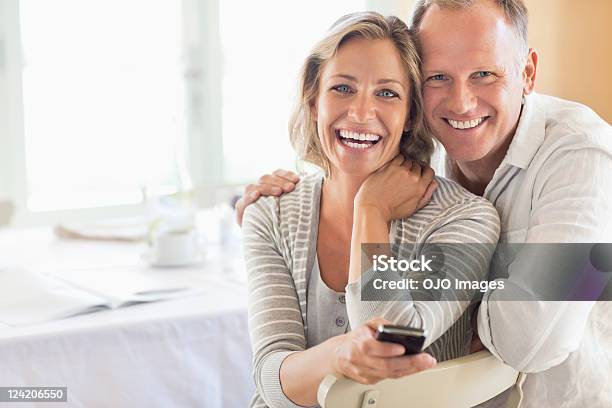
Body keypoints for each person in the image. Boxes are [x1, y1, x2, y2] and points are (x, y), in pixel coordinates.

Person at [237, 1, 612, 407]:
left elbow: (532, 342)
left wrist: (372, 213)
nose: (461, 102)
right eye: (437, 77)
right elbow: (268, 377)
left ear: (527, 72)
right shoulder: (434, 148)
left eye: (484, 73)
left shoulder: (587, 157)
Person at [241, 12, 501, 408]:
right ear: (314, 101)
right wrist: (336, 354)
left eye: (387, 93)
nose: (361, 113)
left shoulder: (466, 219)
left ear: (411, 115)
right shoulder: (270, 213)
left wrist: (371, 212)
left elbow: (393, 342)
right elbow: (270, 377)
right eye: (343, 88)